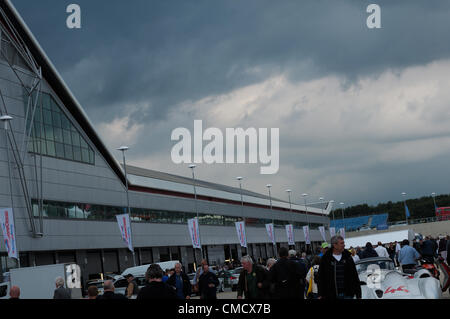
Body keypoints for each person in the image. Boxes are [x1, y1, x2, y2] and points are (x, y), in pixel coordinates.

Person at [318, 235, 361, 300]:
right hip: (331, 295)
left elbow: (355, 276)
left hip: (348, 294)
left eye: (343, 243)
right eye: (341, 243)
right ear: (335, 245)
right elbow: (321, 277)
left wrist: (358, 294)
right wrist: (320, 294)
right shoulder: (326, 259)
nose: (344, 245)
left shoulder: (348, 257)